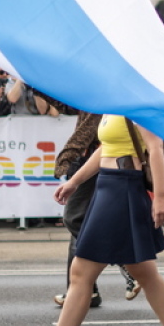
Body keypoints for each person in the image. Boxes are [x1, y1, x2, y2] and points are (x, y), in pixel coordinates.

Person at [10, 114, 164, 326]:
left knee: (81, 272)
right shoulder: (113, 105)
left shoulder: (136, 104)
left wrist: (161, 198)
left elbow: (154, 148)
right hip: (109, 187)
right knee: (144, 272)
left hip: (122, 190)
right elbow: (106, 149)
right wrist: (75, 181)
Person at [51, 110, 109, 308]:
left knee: (75, 219)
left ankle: (123, 261)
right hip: (91, 164)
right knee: (79, 224)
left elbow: (89, 134)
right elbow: (64, 105)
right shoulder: (93, 94)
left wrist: (67, 157)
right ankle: (84, 290)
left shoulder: (101, 97)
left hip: (105, 168)